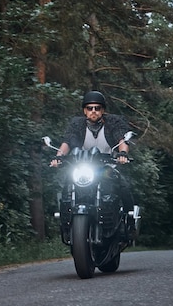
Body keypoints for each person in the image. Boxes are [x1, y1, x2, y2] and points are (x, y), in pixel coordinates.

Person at [51, 90, 136, 238]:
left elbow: (122, 140)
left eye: (97, 108)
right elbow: (67, 142)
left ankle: (130, 221)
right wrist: (58, 157)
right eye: (90, 108)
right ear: (85, 110)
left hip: (107, 166)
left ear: (102, 110)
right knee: (66, 185)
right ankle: (65, 222)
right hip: (81, 166)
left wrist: (123, 154)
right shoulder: (76, 124)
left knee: (123, 185)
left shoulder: (113, 122)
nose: (93, 111)